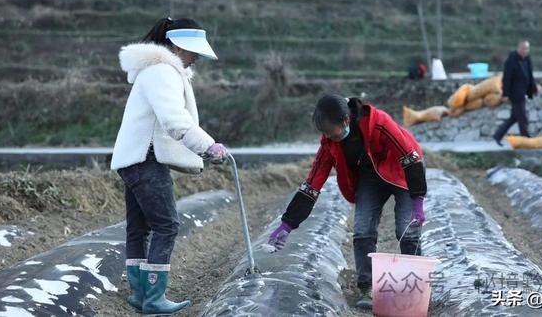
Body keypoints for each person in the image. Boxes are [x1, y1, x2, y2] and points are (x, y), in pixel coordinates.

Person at [110, 17, 228, 315]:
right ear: (176, 45)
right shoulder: (163, 71)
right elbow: (174, 120)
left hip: (133, 158)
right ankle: (154, 298)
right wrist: (208, 146)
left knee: (139, 227)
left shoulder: (152, 71)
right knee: (167, 225)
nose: (196, 58)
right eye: (192, 52)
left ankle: (140, 294)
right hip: (147, 157)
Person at [267, 95, 428, 310]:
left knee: (406, 231)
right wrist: (287, 224)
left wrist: (417, 200)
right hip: (370, 177)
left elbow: (410, 156)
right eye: (323, 133)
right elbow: (313, 183)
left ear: (345, 120)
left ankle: (413, 290)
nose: (327, 137)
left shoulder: (379, 123)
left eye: (329, 131)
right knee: (362, 231)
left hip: (401, 170)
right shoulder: (330, 143)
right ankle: (367, 288)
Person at [493, 40, 542, 146]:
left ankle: (497, 135)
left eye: (527, 49)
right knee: (522, 117)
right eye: (524, 48)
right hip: (514, 93)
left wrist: (534, 88)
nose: (526, 51)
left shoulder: (527, 60)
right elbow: (507, 79)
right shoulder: (511, 60)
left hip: (523, 91)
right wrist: (505, 94)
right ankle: (526, 139)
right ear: (519, 48)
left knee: (514, 117)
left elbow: (530, 76)